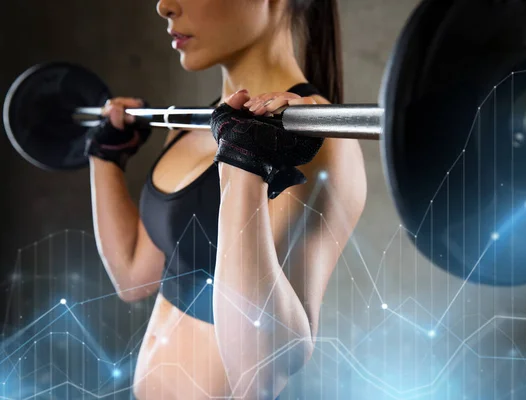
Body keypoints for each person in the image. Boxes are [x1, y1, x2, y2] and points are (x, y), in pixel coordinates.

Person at [85, 0, 367, 398]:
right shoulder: (195, 125)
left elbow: (262, 371)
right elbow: (135, 278)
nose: (164, 6)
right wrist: (106, 158)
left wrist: (243, 167)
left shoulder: (315, 139)